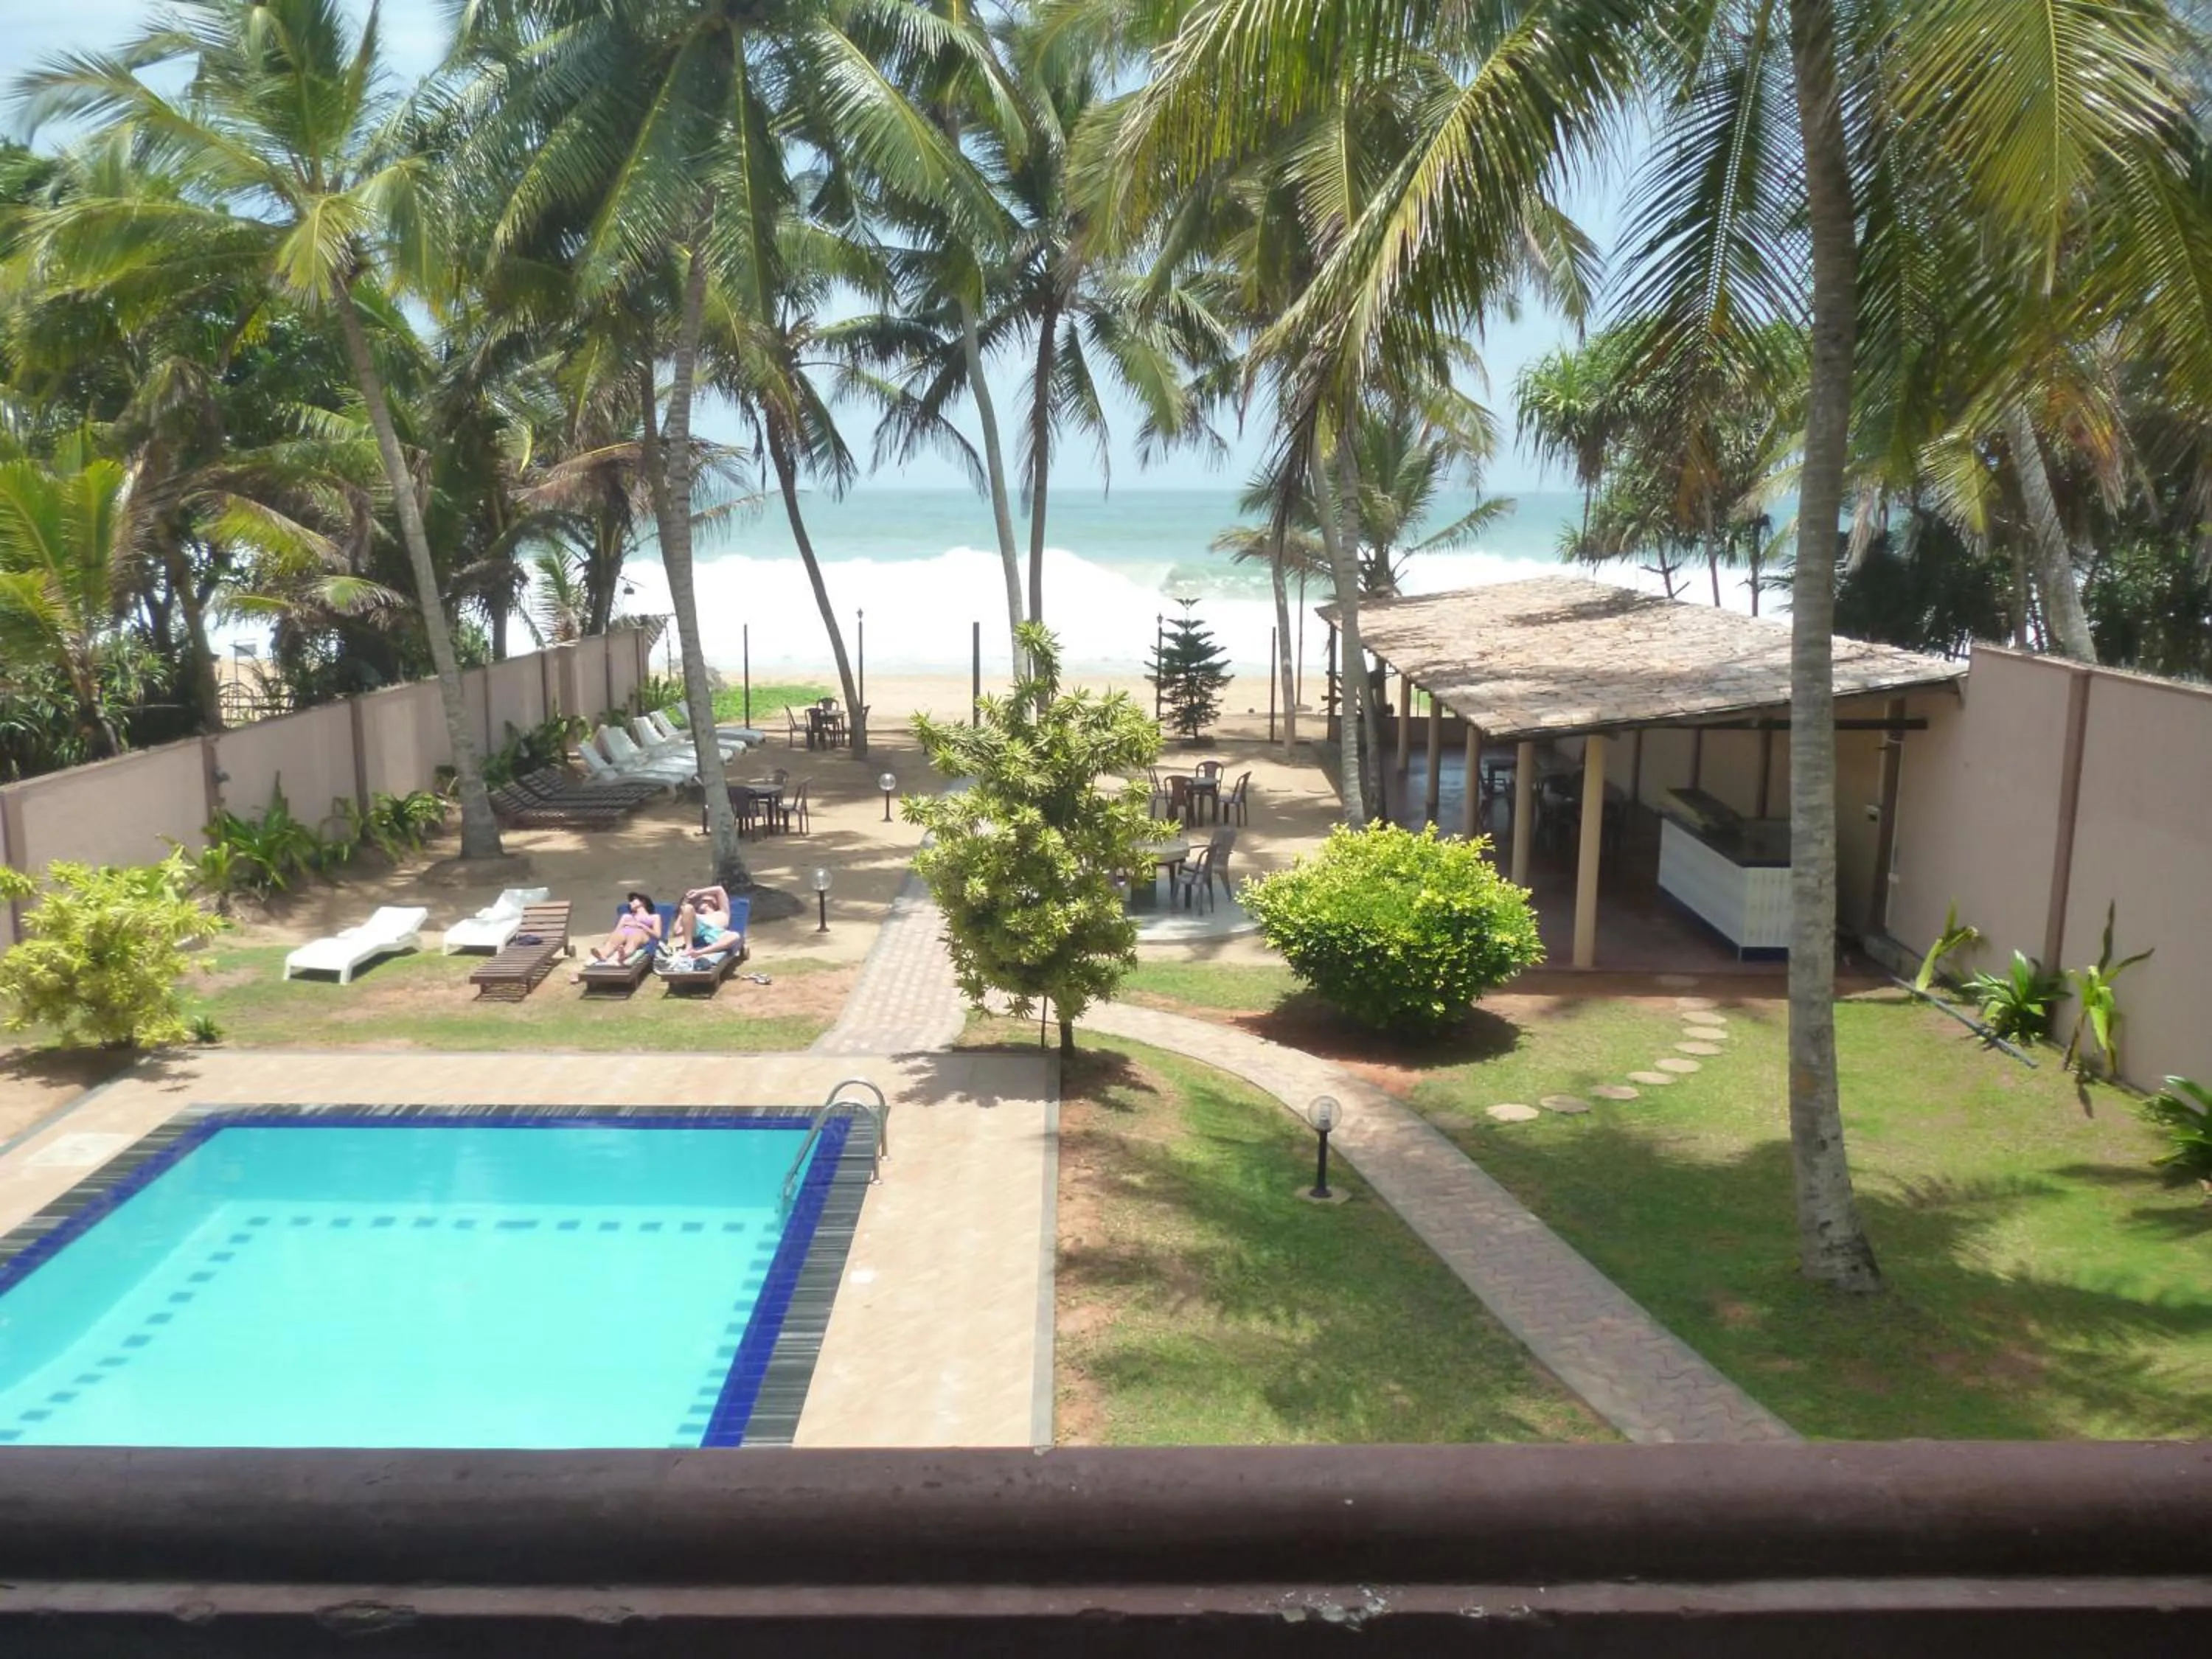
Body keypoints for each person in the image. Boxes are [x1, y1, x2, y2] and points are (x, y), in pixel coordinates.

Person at [573, 891, 661, 981]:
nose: (630, 903)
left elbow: (657, 935)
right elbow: (617, 930)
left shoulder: (654, 917)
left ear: (643, 902)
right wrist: (612, 938)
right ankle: (603, 954)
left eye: (634, 900)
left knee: (634, 937)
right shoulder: (626, 916)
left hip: (641, 933)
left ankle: (623, 955)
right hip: (625, 931)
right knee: (616, 937)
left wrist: (641, 925)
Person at [665, 885, 745, 970]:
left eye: (708, 900)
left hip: (717, 934)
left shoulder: (723, 913)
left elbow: (719, 889)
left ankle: (698, 953)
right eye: (702, 900)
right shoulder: (696, 917)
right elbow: (677, 932)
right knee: (687, 908)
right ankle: (689, 947)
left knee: (735, 936)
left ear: (716, 902)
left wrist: (699, 892)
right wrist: (683, 911)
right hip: (698, 930)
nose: (704, 901)